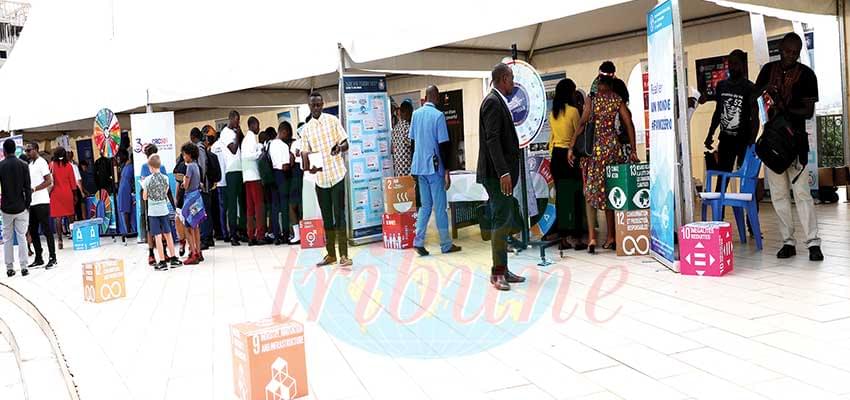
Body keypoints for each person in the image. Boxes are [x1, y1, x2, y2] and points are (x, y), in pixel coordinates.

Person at [755, 32, 823, 261]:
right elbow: (756, 98)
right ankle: (788, 242)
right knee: (778, 194)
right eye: (787, 51)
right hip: (772, 141)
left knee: (802, 193)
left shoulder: (807, 75)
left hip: (796, 143)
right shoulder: (767, 70)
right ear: (780, 48)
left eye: (795, 52)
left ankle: (813, 243)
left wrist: (783, 108)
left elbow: (808, 112)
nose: (791, 56)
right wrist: (767, 95)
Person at [574, 75, 637, 254]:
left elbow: (582, 123)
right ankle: (611, 237)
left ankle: (592, 237)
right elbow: (629, 124)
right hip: (612, 150)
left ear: (599, 85)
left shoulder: (592, 101)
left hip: (595, 152)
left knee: (591, 193)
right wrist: (633, 150)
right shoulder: (617, 100)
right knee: (611, 192)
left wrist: (572, 146)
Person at [477, 63, 526, 291]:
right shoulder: (492, 102)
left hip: (500, 173)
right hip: (497, 175)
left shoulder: (497, 101)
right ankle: (497, 273)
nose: (513, 83)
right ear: (504, 78)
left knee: (504, 219)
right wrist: (503, 172)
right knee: (500, 219)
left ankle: (503, 269)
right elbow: (492, 140)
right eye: (512, 78)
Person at [409, 85, 462, 257]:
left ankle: (418, 241)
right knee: (440, 207)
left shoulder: (415, 115)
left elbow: (412, 143)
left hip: (419, 168)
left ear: (425, 97)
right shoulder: (438, 116)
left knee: (425, 206)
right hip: (434, 167)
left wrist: (414, 166)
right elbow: (444, 145)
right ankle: (446, 244)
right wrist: (446, 171)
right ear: (437, 97)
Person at [301, 92, 352, 267]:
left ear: (322, 104)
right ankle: (331, 254)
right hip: (320, 179)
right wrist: (307, 164)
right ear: (309, 106)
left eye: (318, 105)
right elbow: (304, 153)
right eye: (312, 105)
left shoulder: (333, 120)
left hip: (337, 175)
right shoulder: (306, 129)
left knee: (340, 216)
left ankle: (344, 255)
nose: (315, 108)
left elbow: (346, 142)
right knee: (327, 218)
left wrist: (339, 147)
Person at [548, 78, 588, 251]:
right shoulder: (573, 112)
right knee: (577, 197)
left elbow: (552, 139)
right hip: (570, 156)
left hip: (556, 156)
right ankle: (577, 238)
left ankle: (563, 238)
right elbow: (578, 133)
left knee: (562, 199)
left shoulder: (553, 114)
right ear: (570, 93)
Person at [706, 49, 757, 184]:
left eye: (736, 64)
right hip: (726, 140)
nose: (732, 67)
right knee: (722, 178)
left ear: (742, 65)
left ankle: (749, 204)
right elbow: (718, 112)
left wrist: (752, 142)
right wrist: (710, 134)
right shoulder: (722, 85)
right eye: (730, 63)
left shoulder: (750, 87)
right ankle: (720, 205)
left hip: (743, 140)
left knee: (746, 179)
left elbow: (754, 118)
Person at [142, 154, 182, 270]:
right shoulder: (165, 178)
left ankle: (162, 261)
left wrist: (147, 191)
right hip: (164, 210)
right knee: (168, 234)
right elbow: (165, 193)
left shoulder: (147, 180)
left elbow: (145, 197)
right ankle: (174, 258)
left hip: (153, 212)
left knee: (158, 236)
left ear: (151, 167)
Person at [1, 139, 32, 277]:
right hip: (21, 207)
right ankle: (24, 266)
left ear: (4, 151)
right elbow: (27, 187)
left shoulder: (0, 166)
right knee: (22, 237)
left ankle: (9, 267)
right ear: (15, 149)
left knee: (7, 238)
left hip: (6, 208)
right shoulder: (24, 165)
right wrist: (27, 205)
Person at [25, 143, 57, 269]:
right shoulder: (30, 164)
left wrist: (35, 189)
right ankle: (39, 257)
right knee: (33, 230)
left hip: (42, 201)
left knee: (47, 230)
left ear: (36, 150)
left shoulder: (42, 162)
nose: (27, 153)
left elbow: (49, 181)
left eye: (29, 150)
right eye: (26, 151)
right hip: (32, 202)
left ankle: (52, 257)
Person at [220, 111, 247, 246]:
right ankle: (233, 235)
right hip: (231, 171)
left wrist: (239, 132)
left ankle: (243, 231)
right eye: (236, 120)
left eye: (239, 120)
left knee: (242, 203)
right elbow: (234, 149)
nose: (238, 123)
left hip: (240, 169)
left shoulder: (236, 132)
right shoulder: (225, 133)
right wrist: (236, 134)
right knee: (232, 204)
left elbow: (242, 142)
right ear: (230, 119)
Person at [241, 116, 266, 246]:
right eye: (258, 125)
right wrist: (260, 153)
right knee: (259, 207)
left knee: (250, 208)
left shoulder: (246, 139)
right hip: (254, 176)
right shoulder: (250, 138)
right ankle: (260, 235)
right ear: (253, 125)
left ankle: (251, 235)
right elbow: (249, 156)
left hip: (247, 177)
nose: (259, 128)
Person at [268, 122, 293, 245]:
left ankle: (276, 236)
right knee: (284, 206)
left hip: (272, 176)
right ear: (283, 131)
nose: (287, 136)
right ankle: (286, 235)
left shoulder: (270, 144)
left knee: (274, 207)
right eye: (287, 133)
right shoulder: (283, 146)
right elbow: (285, 166)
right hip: (282, 177)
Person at [180, 143, 205, 264]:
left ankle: (193, 253)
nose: (183, 157)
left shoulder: (189, 167)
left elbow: (186, 185)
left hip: (190, 198)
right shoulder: (197, 166)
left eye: (184, 154)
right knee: (196, 226)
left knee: (187, 226)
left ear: (189, 155)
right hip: (197, 197)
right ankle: (199, 252)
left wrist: (183, 182)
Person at [190, 127, 214, 250]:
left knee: (202, 212)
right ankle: (208, 237)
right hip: (206, 185)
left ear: (193, 137)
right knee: (207, 212)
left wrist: (199, 181)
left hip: (203, 186)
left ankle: (205, 238)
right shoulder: (203, 147)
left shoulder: (199, 148)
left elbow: (202, 166)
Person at [49, 147, 77, 250]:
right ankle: (74, 236)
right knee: (71, 216)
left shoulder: (52, 165)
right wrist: (75, 195)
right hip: (67, 193)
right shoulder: (69, 166)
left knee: (58, 218)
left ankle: (60, 240)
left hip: (55, 194)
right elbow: (73, 182)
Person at [208, 127, 230, 242]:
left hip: (218, 182)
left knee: (221, 209)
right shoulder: (226, 145)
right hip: (227, 180)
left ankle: (223, 232)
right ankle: (227, 232)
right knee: (228, 208)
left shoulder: (213, 147)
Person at [287, 123, 304, 244]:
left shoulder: (296, 143)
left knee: (292, 205)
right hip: (310, 173)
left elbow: (291, 161)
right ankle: (308, 232)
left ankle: (297, 235)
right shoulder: (312, 141)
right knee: (305, 206)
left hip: (297, 173)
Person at [116, 149, 136, 240]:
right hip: (126, 188)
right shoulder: (131, 167)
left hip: (122, 187)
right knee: (126, 210)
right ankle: (128, 232)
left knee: (125, 210)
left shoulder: (126, 166)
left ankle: (127, 231)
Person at [392, 100, 414, 176]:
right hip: (408, 170)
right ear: (409, 112)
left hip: (398, 171)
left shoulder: (395, 128)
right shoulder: (408, 128)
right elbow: (413, 147)